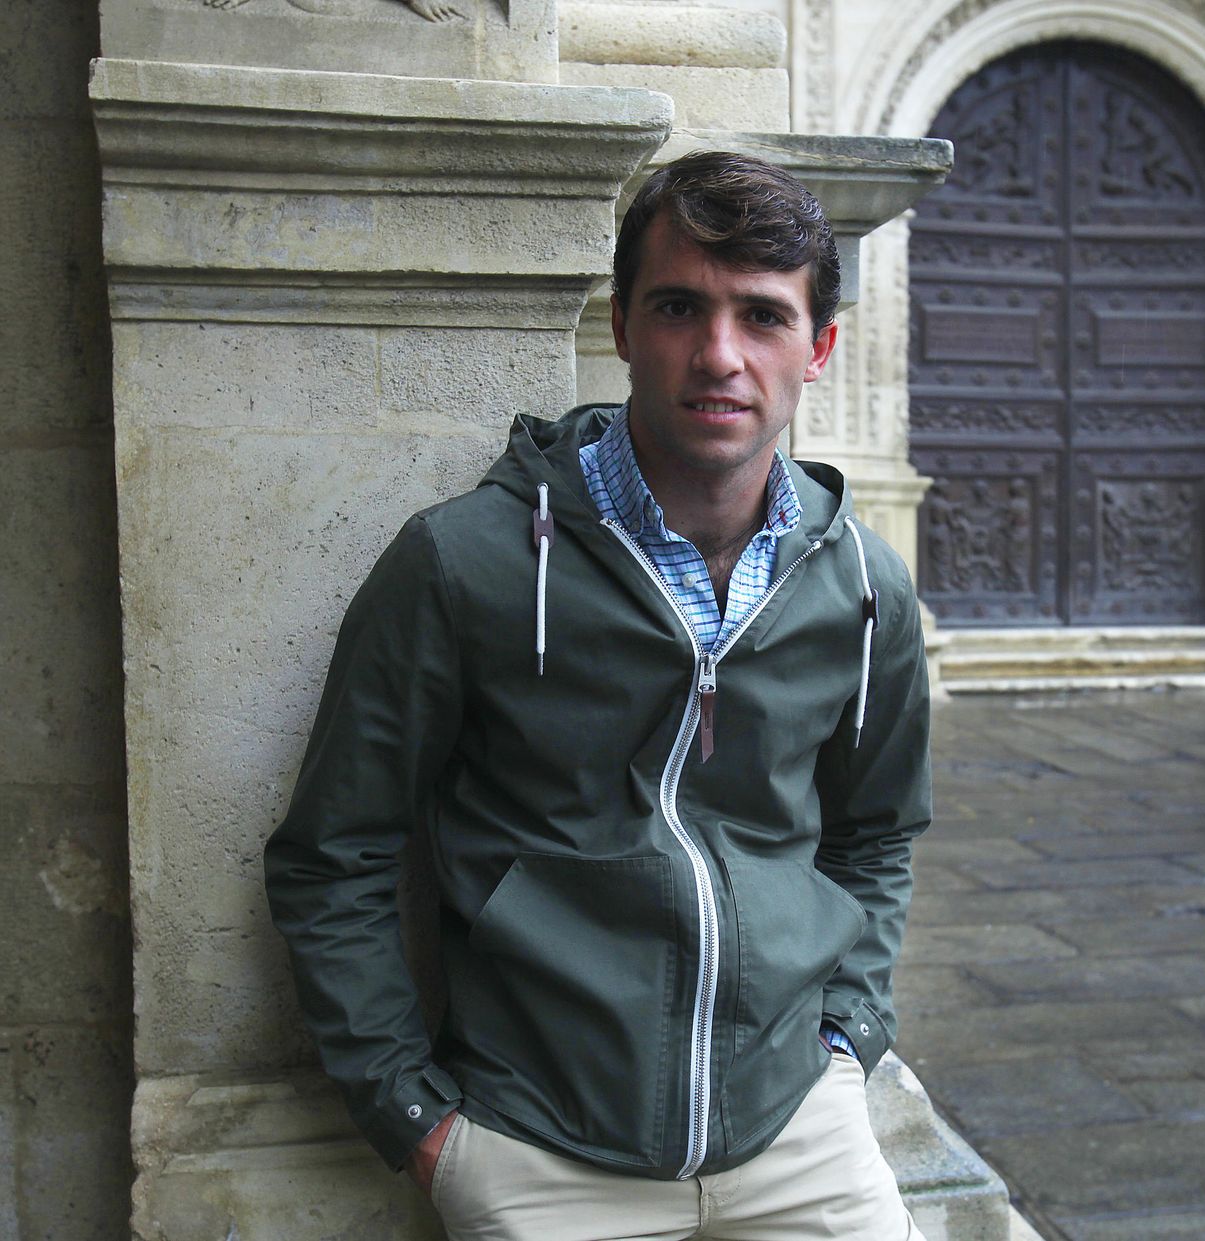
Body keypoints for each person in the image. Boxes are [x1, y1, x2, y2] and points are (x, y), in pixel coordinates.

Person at [264, 150, 932, 1239]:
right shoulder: (465, 563)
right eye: (679, 306)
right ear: (621, 323)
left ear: (818, 349)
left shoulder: (862, 586)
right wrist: (415, 1115)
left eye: (762, 317)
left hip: (798, 1129)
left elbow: (876, 832)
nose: (719, 354)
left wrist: (849, 1038)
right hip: (541, 1151)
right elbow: (331, 851)